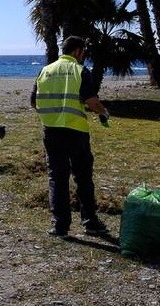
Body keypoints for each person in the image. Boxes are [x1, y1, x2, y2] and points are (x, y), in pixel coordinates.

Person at [31, 36, 111, 238]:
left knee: (57, 178)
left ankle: (60, 226)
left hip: (51, 131)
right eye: (83, 52)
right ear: (77, 51)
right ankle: (90, 222)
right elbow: (91, 100)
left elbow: (33, 102)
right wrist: (103, 112)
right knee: (83, 176)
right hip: (75, 131)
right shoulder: (80, 71)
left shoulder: (45, 71)